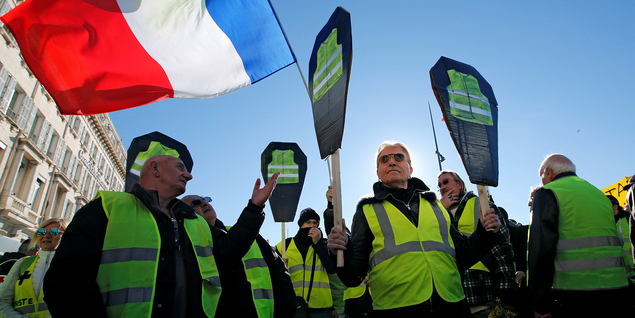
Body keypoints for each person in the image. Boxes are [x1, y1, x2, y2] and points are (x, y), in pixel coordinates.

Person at [43, 155, 279, 317]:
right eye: (180, 168)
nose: (189, 175)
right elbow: (66, 282)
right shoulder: (107, 207)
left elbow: (228, 251)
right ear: (154, 168)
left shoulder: (193, 221)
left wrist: (254, 208)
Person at [327, 140, 501, 317]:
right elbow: (354, 276)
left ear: (410, 168)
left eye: (399, 157)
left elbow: (463, 255)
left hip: (453, 305)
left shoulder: (437, 206)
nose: (392, 161)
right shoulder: (366, 211)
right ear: (378, 173)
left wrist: (484, 232)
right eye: (384, 159)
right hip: (395, 309)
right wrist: (341, 252)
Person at [528, 154, 634, 317]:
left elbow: (541, 248)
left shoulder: (548, 192)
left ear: (548, 172)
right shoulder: (600, 196)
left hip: (574, 296)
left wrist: (539, 302)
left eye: (542, 177)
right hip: (618, 292)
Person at [181, 194, 295, 318]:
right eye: (196, 202)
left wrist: (285, 311)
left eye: (206, 199)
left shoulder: (250, 236)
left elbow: (280, 274)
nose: (204, 203)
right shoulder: (186, 246)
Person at [437, 170, 516, 315]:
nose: (442, 187)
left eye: (446, 181)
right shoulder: (438, 213)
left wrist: (503, 297)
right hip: (452, 299)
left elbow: (503, 251)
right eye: (439, 185)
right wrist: (439, 209)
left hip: (484, 298)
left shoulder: (481, 204)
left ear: (459, 185)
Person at [0, 217, 67, 317]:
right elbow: (2, 301)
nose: (46, 235)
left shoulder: (73, 264)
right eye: (41, 232)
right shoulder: (23, 263)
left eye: (54, 232)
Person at [276, 208, 336, 318]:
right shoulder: (284, 246)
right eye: (308, 222)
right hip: (293, 306)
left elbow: (332, 268)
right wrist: (280, 266)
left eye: (315, 223)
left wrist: (318, 243)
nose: (312, 226)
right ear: (301, 224)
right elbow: (273, 275)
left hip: (321, 308)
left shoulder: (324, 244)